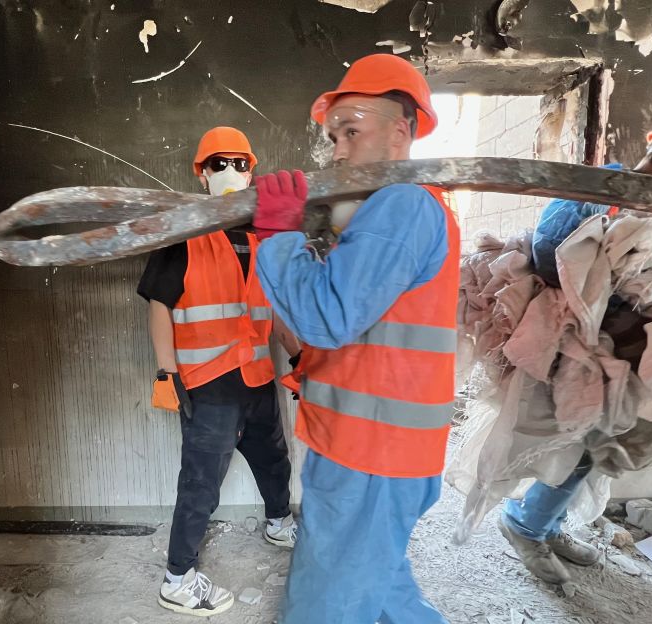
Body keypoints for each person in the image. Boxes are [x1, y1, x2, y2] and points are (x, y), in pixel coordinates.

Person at [251, 54, 460, 624]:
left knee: (326, 604)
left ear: (399, 132)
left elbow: (328, 318)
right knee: (383, 587)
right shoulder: (388, 210)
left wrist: (277, 237)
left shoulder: (404, 204)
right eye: (333, 135)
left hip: (374, 453)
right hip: (369, 447)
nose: (338, 150)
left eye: (352, 131)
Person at [499, 112, 652, 585]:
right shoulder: (597, 191)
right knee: (583, 439)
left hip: (609, 345)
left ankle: (543, 523)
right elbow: (553, 257)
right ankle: (526, 524)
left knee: (598, 443)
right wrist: (624, 289)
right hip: (574, 346)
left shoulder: (641, 208)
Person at [137, 126, 301, 617]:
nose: (230, 172)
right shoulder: (184, 234)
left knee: (274, 458)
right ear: (201, 174)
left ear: (252, 170)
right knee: (202, 483)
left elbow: (269, 311)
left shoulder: (260, 236)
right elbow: (160, 305)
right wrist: (167, 373)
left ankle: (278, 522)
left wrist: (298, 355)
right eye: (219, 164)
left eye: (239, 163)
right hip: (207, 383)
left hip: (255, 377)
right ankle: (177, 578)